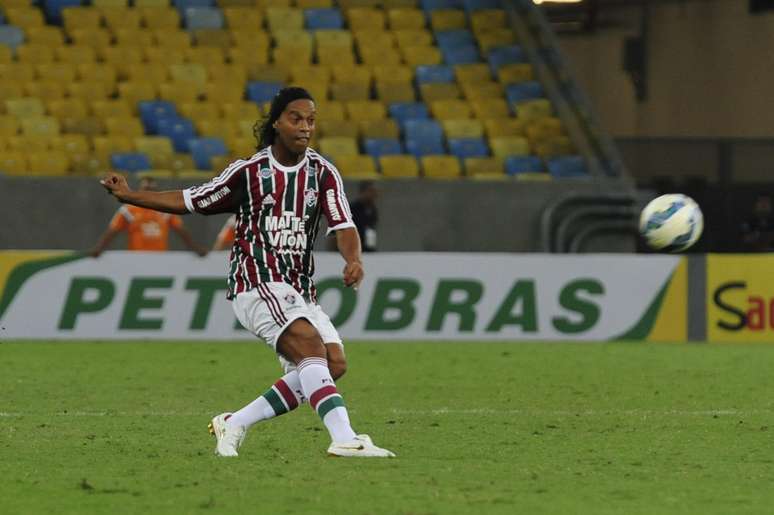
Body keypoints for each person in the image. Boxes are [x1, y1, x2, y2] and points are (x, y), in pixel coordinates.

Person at [99, 87, 395, 459]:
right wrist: (129, 196)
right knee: (310, 348)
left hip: (299, 289)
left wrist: (354, 259)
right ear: (277, 123)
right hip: (255, 282)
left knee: (331, 364)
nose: (305, 127)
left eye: (311, 120)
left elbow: (344, 225)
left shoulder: (322, 173)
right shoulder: (250, 172)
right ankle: (344, 437)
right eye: (296, 118)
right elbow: (190, 200)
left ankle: (234, 422)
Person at [91, 177, 207, 257]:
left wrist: (195, 248)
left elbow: (181, 231)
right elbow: (112, 231)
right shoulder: (128, 210)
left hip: (159, 260)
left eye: (152, 189)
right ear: (140, 190)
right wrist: (99, 249)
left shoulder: (165, 210)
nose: (149, 192)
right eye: (146, 189)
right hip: (137, 259)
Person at [349, 181, 379, 252]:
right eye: (371, 191)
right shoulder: (352, 208)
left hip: (367, 248)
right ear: (362, 192)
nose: (374, 194)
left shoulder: (373, 209)